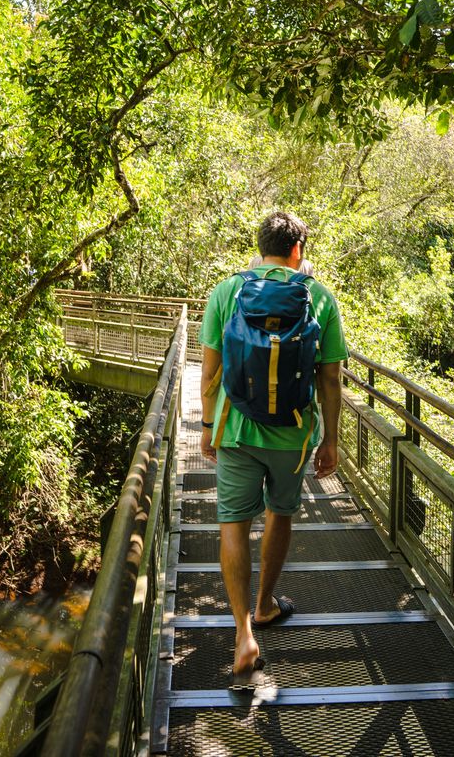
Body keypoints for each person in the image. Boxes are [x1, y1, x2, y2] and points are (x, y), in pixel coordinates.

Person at [198, 211, 348, 681]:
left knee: (232, 525)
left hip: (237, 430)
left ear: (259, 245)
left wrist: (207, 426)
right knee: (279, 515)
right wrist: (331, 440)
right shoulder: (319, 297)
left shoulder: (227, 291)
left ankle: (244, 632)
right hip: (294, 432)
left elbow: (209, 372)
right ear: (298, 249)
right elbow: (330, 377)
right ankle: (265, 606)